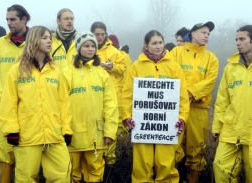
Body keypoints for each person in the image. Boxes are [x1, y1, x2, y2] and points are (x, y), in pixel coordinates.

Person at [0, 26, 72, 182]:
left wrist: (66, 129)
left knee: (63, 175)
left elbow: (63, 103)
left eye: (50, 38)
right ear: (33, 40)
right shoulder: (17, 70)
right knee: (26, 177)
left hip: (54, 134)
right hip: (27, 135)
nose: (49, 41)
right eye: (44, 38)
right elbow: (8, 102)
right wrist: (11, 130)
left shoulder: (55, 71)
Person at [121, 30, 189, 183]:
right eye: (154, 43)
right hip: (142, 125)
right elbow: (127, 94)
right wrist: (127, 117)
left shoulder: (175, 67)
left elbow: (182, 97)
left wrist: (182, 118)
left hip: (167, 124)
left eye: (160, 43)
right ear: (146, 45)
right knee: (142, 165)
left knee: (166, 164)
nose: (158, 46)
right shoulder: (136, 66)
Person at [60, 31, 119, 183]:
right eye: (86, 45)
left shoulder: (102, 73)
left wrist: (110, 131)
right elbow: (61, 104)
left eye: (93, 45)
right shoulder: (66, 73)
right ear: (79, 48)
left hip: (96, 136)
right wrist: (64, 130)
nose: (90, 49)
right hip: (73, 136)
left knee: (96, 172)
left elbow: (110, 105)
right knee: (72, 173)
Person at [170, 21, 219, 183]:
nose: (207, 36)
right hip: (176, 109)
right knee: (172, 149)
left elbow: (210, 81)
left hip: (198, 111)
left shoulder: (211, 58)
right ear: (193, 34)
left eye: (209, 34)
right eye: (204, 32)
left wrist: (193, 92)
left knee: (196, 151)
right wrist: (184, 94)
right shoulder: (176, 52)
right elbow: (169, 73)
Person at [0, 4, 30, 182]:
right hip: (3, 107)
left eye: (12, 19)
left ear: (24, 19)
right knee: (4, 152)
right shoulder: (0, 44)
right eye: (7, 19)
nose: (9, 23)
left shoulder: (35, 43)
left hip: (27, 107)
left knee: (26, 154)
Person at [212, 25, 252, 183]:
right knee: (220, 167)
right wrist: (216, 127)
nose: (238, 43)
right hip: (231, 129)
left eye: (242, 39)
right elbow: (222, 100)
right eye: (236, 39)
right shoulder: (230, 68)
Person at [91, 22, 126, 166]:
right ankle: (96, 161)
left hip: (112, 94)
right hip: (94, 94)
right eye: (96, 34)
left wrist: (113, 67)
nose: (99, 37)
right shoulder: (88, 48)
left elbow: (123, 69)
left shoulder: (114, 51)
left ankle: (111, 163)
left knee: (111, 127)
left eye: (102, 34)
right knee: (96, 126)